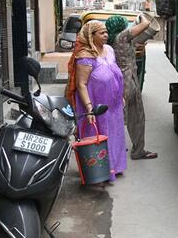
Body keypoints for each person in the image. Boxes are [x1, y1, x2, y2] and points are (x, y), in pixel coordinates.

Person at [66, 20, 127, 182]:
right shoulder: (85, 56)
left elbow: (114, 73)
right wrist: (89, 109)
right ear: (91, 36)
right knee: (100, 134)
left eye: (106, 32)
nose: (106, 35)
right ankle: (100, 172)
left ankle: (115, 166)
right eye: (102, 33)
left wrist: (120, 95)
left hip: (113, 104)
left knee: (115, 133)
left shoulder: (109, 50)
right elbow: (81, 84)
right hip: (96, 105)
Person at [105, 14, 159, 160]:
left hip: (122, 80)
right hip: (128, 81)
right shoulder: (122, 36)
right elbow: (146, 23)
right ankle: (129, 151)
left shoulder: (112, 40)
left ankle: (116, 151)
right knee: (132, 117)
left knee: (126, 117)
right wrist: (141, 16)